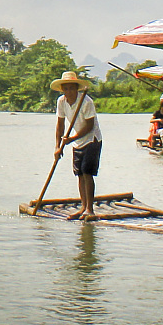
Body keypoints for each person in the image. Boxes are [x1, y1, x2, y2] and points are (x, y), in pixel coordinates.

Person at [51, 71, 100, 220]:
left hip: (92, 139)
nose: (69, 91)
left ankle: (90, 210)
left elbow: (90, 126)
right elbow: (60, 124)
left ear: (77, 89)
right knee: (79, 174)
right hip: (78, 141)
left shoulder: (86, 102)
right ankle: (83, 207)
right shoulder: (61, 102)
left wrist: (71, 139)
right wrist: (58, 146)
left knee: (87, 172)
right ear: (62, 90)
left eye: (72, 88)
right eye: (66, 89)